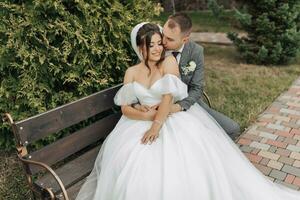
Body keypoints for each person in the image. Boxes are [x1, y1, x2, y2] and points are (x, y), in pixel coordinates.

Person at [75, 23, 300, 200]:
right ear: (139, 48)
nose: (156, 49)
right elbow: (125, 108)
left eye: (158, 43)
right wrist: (142, 112)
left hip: (171, 117)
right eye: (150, 45)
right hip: (138, 123)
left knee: (181, 163)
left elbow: (167, 97)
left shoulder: (168, 63)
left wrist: (156, 124)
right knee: (129, 162)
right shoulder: (132, 72)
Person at [131, 13, 240, 139]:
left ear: (185, 39)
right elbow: (137, 79)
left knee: (232, 129)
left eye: (170, 39)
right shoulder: (155, 47)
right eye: (163, 35)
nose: (164, 42)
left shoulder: (196, 51)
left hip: (188, 105)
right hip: (157, 106)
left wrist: (177, 107)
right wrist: (138, 105)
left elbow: (196, 88)